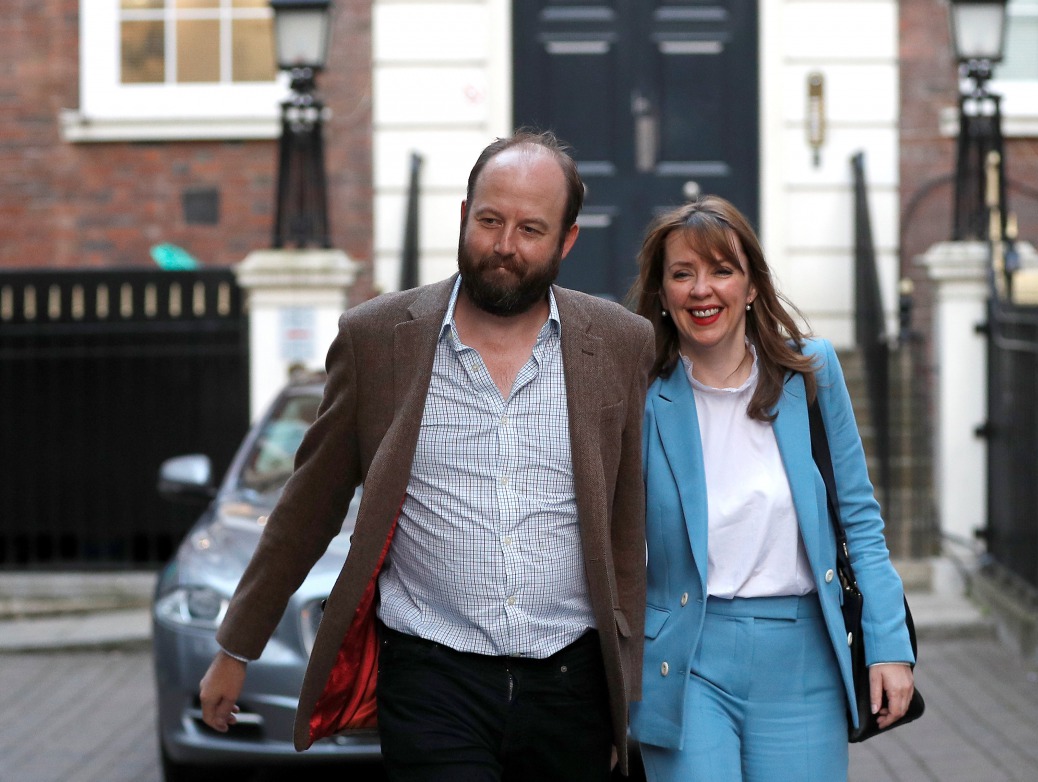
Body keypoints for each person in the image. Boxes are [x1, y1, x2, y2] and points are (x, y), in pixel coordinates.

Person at [199, 130, 655, 781]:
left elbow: (627, 528)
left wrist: (622, 695)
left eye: (531, 229)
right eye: (489, 220)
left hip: (571, 685)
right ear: (464, 215)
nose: (505, 245)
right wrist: (236, 647)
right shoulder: (378, 340)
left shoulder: (619, 344)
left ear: (567, 240)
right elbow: (308, 507)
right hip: (432, 681)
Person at [626, 196, 914, 781]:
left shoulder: (810, 373)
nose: (702, 290)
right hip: (686, 660)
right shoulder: (641, 392)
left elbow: (858, 518)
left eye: (721, 270)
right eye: (682, 274)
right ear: (662, 292)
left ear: (753, 285)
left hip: (803, 662)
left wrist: (888, 643)